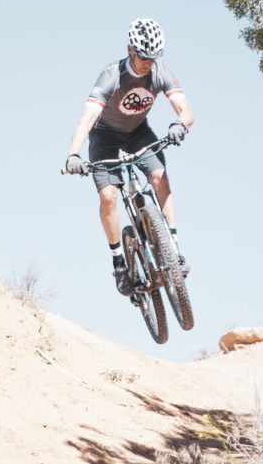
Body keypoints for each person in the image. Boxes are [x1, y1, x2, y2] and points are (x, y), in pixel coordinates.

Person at [65, 18, 195, 295]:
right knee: (108, 196)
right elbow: (87, 118)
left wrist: (178, 125)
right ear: (131, 50)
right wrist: (73, 154)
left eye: (154, 57)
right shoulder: (111, 75)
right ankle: (119, 264)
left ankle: (173, 248)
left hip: (138, 133)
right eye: (144, 57)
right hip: (105, 137)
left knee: (159, 177)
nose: (149, 62)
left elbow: (186, 111)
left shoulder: (161, 73)